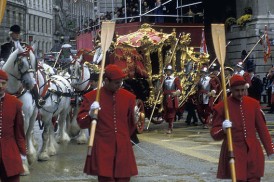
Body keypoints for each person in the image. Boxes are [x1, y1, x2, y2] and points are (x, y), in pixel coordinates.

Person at [77, 64, 138, 181]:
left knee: (124, 178)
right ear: (106, 81)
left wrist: (123, 136)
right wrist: (90, 114)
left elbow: (131, 124)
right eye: (116, 82)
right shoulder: (92, 97)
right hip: (103, 148)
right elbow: (81, 122)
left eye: (120, 82)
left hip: (123, 147)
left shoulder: (129, 97)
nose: (119, 85)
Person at [210, 74, 274, 181]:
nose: (240, 93)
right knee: (239, 178)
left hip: (253, 149)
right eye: (237, 90)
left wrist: (270, 149)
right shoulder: (222, 106)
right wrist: (223, 129)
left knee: (254, 178)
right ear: (231, 89)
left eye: (242, 90)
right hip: (234, 150)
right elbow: (214, 133)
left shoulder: (253, 104)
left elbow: (262, 129)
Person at [0, 25, 44, 108]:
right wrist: (2, 61)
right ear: (11, 34)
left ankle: (37, 99)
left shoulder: (25, 45)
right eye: (15, 34)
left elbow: (30, 58)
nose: (17, 35)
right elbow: (2, 57)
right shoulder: (5, 46)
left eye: (18, 34)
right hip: (10, 69)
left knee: (32, 80)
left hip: (23, 69)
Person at [0, 70, 27, 182]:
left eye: (3, 83)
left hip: (10, 152)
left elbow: (19, 133)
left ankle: (37, 99)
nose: (0, 86)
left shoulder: (15, 103)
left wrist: (22, 153)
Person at [162, 65, 182, 134]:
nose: (167, 72)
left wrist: (176, 92)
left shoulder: (175, 79)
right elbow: (162, 89)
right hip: (165, 97)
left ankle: (170, 127)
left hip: (172, 97)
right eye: (166, 70)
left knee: (171, 113)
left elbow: (179, 88)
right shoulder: (164, 79)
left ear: (171, 71)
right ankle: (170, 125)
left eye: (169, 70)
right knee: (166, 112)